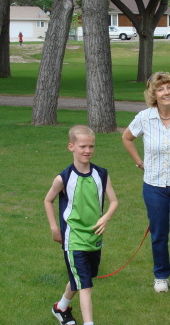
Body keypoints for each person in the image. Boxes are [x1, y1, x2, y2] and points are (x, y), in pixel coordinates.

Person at [121, 71, 170, 304]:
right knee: (158, 235)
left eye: (169, 88)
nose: (166, 92)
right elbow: (126, 138)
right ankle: (161, 275)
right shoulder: (145, 117)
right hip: (154, 185)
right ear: (153, 95)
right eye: (161, 89)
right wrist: (139, 162)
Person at [45, 125, 118, 325]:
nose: (87, 150)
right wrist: (54, 227)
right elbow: (47, 200)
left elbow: (114, 201)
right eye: (83, 146)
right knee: (85, 285)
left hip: (94, 238)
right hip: (74, 238)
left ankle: (60, 308)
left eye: (91, 146)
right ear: (71, 147)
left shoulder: (101, 174)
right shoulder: (64, 178)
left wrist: (106, 217)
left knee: (80, 279)